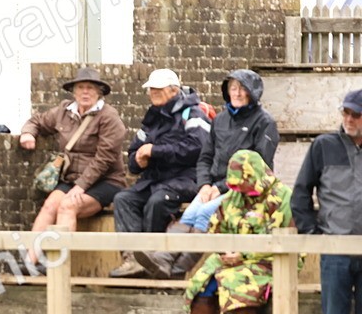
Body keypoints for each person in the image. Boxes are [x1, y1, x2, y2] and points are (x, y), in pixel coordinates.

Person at [135, 69, 279, 279]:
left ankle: (176, 271)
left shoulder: (265, 122)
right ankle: (164, 259)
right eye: (233, 88)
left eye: (243, 89)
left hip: (246, 189)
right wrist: (203, 185)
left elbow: (260, 166)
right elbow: (205, 157)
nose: (237, 93)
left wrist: (219, 187)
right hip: (213, 187)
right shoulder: (220, 120)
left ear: (253, 93)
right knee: (190, 213)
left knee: (204, 214)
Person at [169, 149, 292, 314]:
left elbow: (280, 240)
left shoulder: (281, 197)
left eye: (244, 186)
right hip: (229, 259)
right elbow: (216, 228)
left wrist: (243, 255)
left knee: (239, 280)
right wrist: (224, 250)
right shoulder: (233, 197)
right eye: (236, 186)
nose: (240, 191)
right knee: (202, 280)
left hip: (270, 262)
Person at [19, 67, 127, 269]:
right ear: (74, 92)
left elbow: (104, 159)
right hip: (71, 179)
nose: (85, 92)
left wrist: (81, 186)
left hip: (105, 181)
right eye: (81, 88)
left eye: (90, 88)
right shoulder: (64, 111)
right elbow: (37, 121)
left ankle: (56, 266)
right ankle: (30, 263)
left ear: (99, 92)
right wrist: (28, 133)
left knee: (68, 206)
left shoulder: (109, 117)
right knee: (50, 205)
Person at [292, 89, 362, 314]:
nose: (349, 119)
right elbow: (300, 193)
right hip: (334, 251)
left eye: (356, 114)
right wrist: (313, 233)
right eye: (345, 112)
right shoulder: (324, 146)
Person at [109, 69, 211, 277]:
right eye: (151, 89)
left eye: (158, 88)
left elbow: (198, 147)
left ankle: (152, 259)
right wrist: (137, 160)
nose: (153, 92)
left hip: (186, 179)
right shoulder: (152, 119)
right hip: (154, 181)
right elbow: (134, 155)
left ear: (173, 90)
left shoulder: (192, 114)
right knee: (123, 199)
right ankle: (133, 259)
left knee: (157, 201)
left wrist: (155, 151)